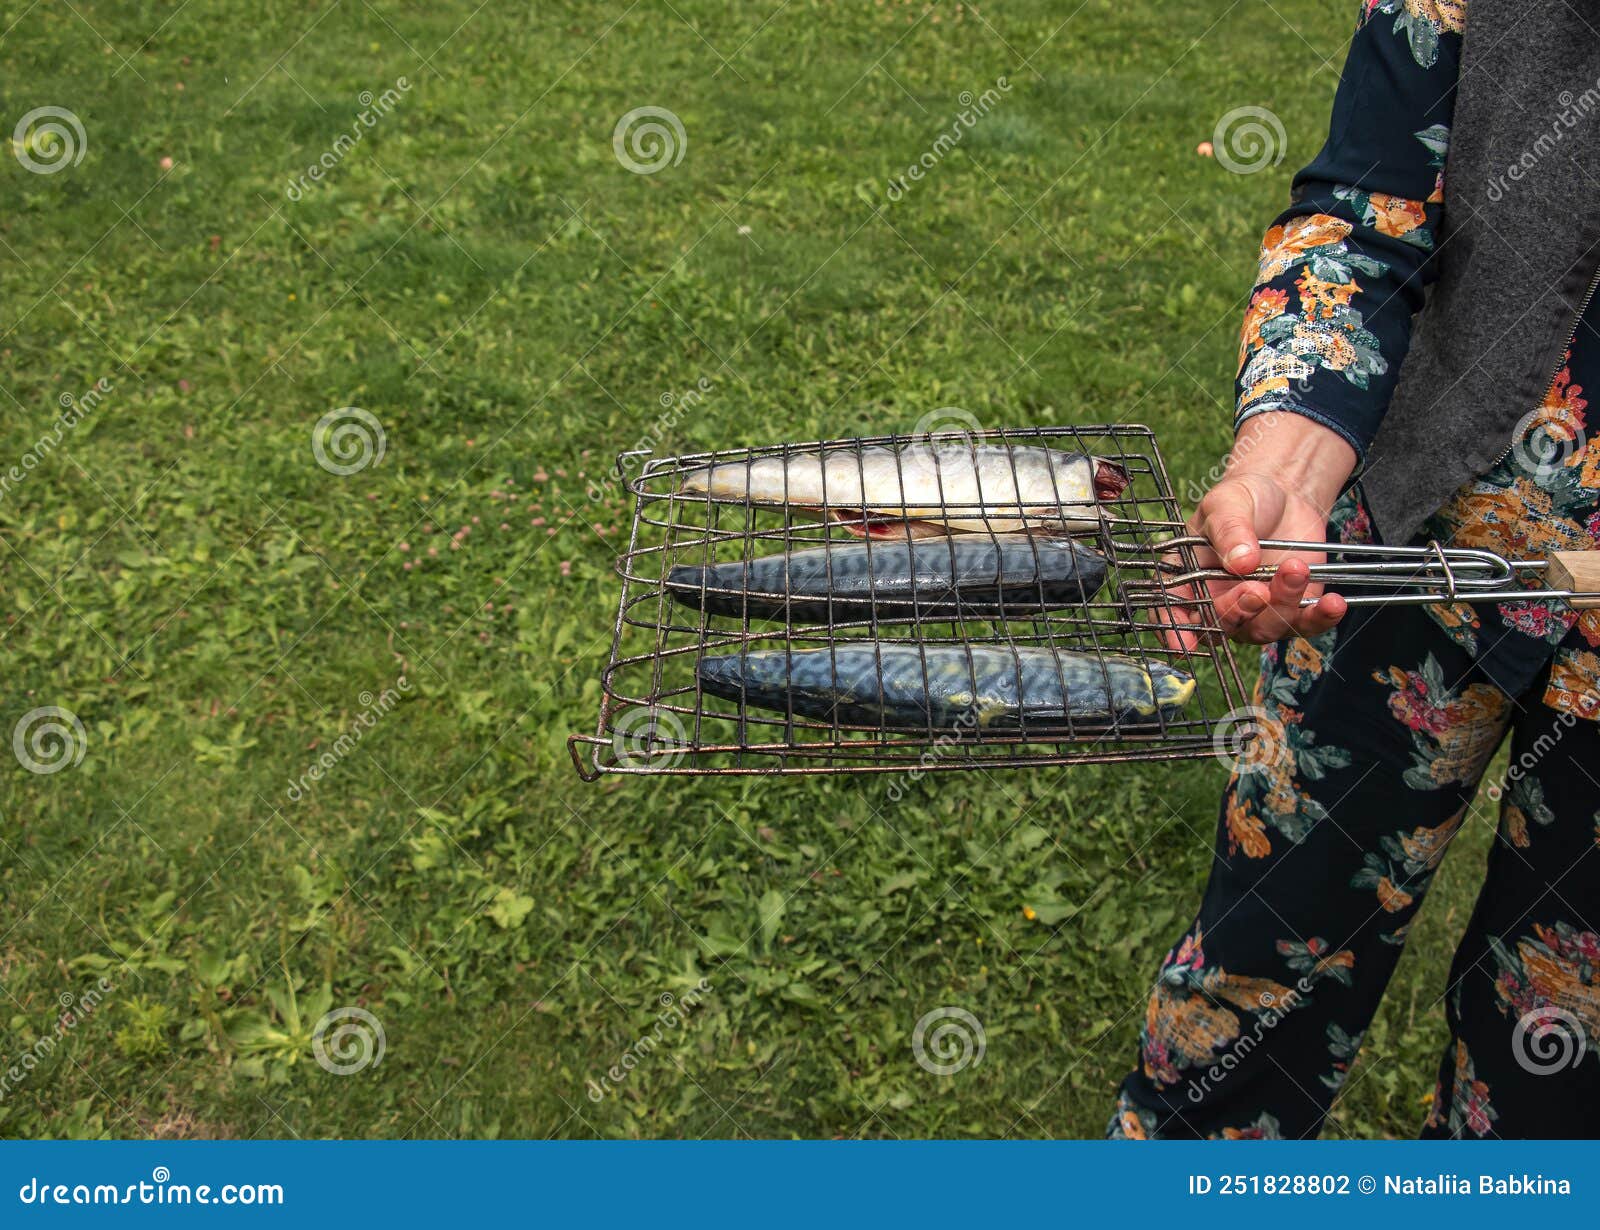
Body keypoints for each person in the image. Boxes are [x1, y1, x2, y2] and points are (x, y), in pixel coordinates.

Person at [1111, 0, 1600, 1139]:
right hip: (1420, 523)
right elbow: (1360, 218)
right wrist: (1285, 464)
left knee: (1555, 1076)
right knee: (1254, 976)